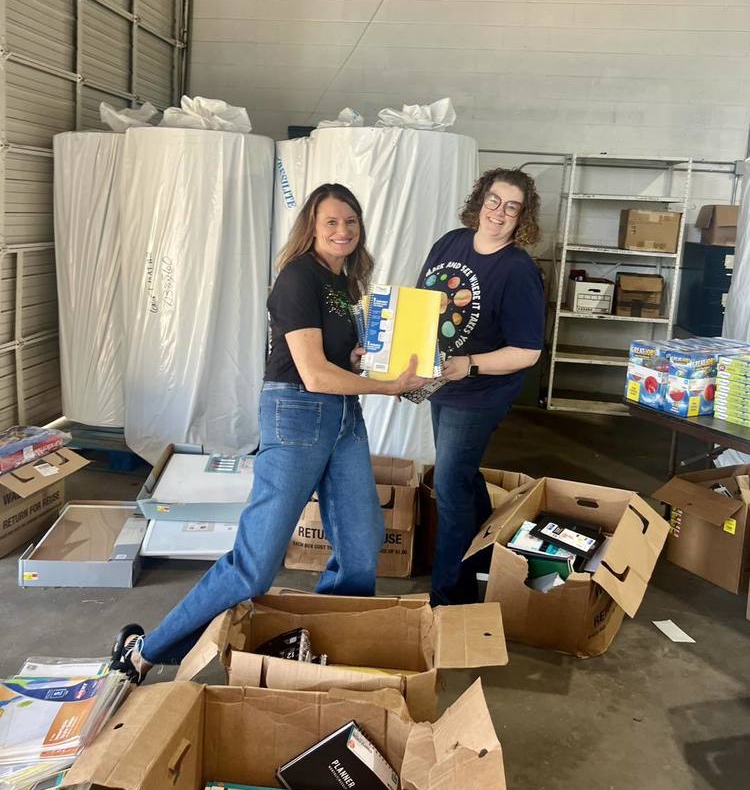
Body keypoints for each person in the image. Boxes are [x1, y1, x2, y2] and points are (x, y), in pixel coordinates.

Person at [111, 182, 427, 683]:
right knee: (255, 564)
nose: (342, 230)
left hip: (343, 417)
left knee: (361, 545)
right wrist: (390, 386)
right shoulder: (298, 277)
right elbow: (313, 375)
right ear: (311, 227)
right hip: (298, 413)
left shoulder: (344, 281)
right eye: (331, 221)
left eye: (350, 221)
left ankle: (325, 651)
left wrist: (363, 360)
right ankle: (145, 651)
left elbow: (332, 360)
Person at [417, 167, 545, 606]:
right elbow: (421, 306)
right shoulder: (450, 243)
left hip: (479, 392)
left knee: (451, 484)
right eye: (494, 200)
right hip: (442, 382)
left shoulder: (517, 270)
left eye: (512, 207)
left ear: (522, 217)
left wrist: (468, 365)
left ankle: (450, 596)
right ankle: (485, 551)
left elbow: (528, 351)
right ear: (480, 200)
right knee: (462, 475)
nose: (499, 212)